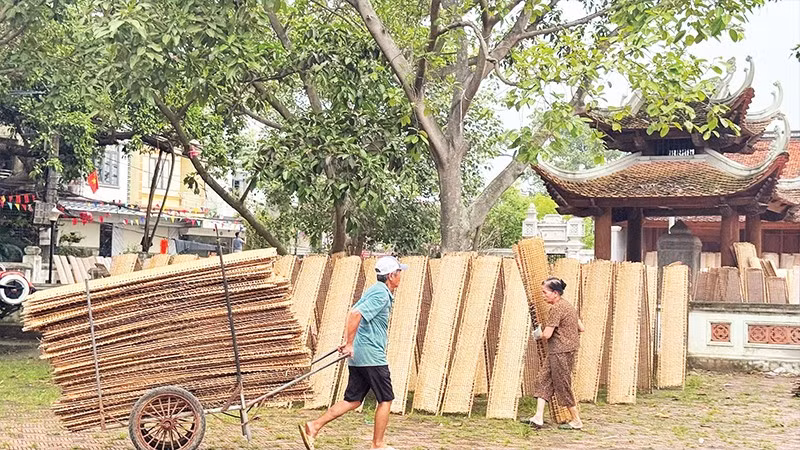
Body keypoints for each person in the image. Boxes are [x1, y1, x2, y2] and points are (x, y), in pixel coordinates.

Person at [299, 255, 407, 450]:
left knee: (353, 400)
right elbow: (355, 314)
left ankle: (314, 426)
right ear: (391, 275)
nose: (401, 276)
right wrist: (349, 343)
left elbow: (357, 315)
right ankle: (378, 444)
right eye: (399, 272)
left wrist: (351, 342)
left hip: (360, 354)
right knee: (386, 399)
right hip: (371, 356)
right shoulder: (381, 294)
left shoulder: (375, 291)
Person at [527, 277, 585, 430]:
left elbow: (546, 335)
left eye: (545, 292)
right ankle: (538, 417)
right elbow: (581, 327)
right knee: (543, 379)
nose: (543, 295)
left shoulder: (557, 308)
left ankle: (576, 420)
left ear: (555, 293)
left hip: (560, 351)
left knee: (562, 385)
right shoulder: (568, 306)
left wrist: (537, 334)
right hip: (561, 350)